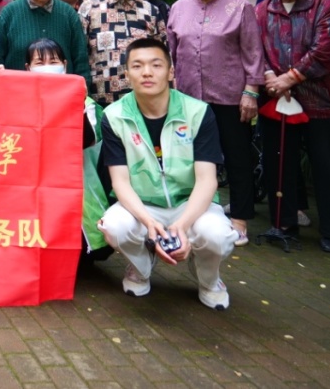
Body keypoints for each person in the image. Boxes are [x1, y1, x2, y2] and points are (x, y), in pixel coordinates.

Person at [97, 38, 237, 309]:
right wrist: (149, 223)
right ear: (127, 74)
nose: (147, 72)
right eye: (137, 66)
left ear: (171, 71)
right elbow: (120, 182)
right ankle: (141, 267)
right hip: (142, 204)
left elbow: (207, 179)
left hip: (190, 203)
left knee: (216, 235)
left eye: (156, 65)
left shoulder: (197, 112)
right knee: (114, 226)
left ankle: (209, 280)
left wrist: (181, 226)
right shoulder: (114, 116)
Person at [167, 0, 265, 247]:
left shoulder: (239, 7)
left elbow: (253, 52)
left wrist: (251, 91)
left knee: (237, 158)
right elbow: (172, 53)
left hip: (230, 97)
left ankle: (240, 219)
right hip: (188, 99)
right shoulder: (179, 7)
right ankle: (193, 215)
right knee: (190, 158)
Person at [256, 0, 330, 253]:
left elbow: (326, 49)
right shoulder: (263, 10)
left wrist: (289, 78)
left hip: (321, 100)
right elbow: (255, 49)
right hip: (277, 99)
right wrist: (271, 78)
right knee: (280, 163)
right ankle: (284, 223)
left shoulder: (325, 5)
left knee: (326, 166)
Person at [23, 38, 110, 259]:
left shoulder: (88, 105)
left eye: (53, 62)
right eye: (39, 63)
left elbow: (87, 140)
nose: (47, 67)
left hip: (78, 188)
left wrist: (77, 102)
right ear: (27, 68)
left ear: (64, 65)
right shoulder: (20, 102)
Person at [79, 0, 166, 107]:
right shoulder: (89, 8)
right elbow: (80, 55)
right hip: (100, 101)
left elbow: (162, 56)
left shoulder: (150, 11)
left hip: (143, 101)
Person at [0, 0, 90, 82]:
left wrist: (84, 88)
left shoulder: (68, 13)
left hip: (62, 90)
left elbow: (81, 60)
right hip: (18, 89)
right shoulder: (9, 13)